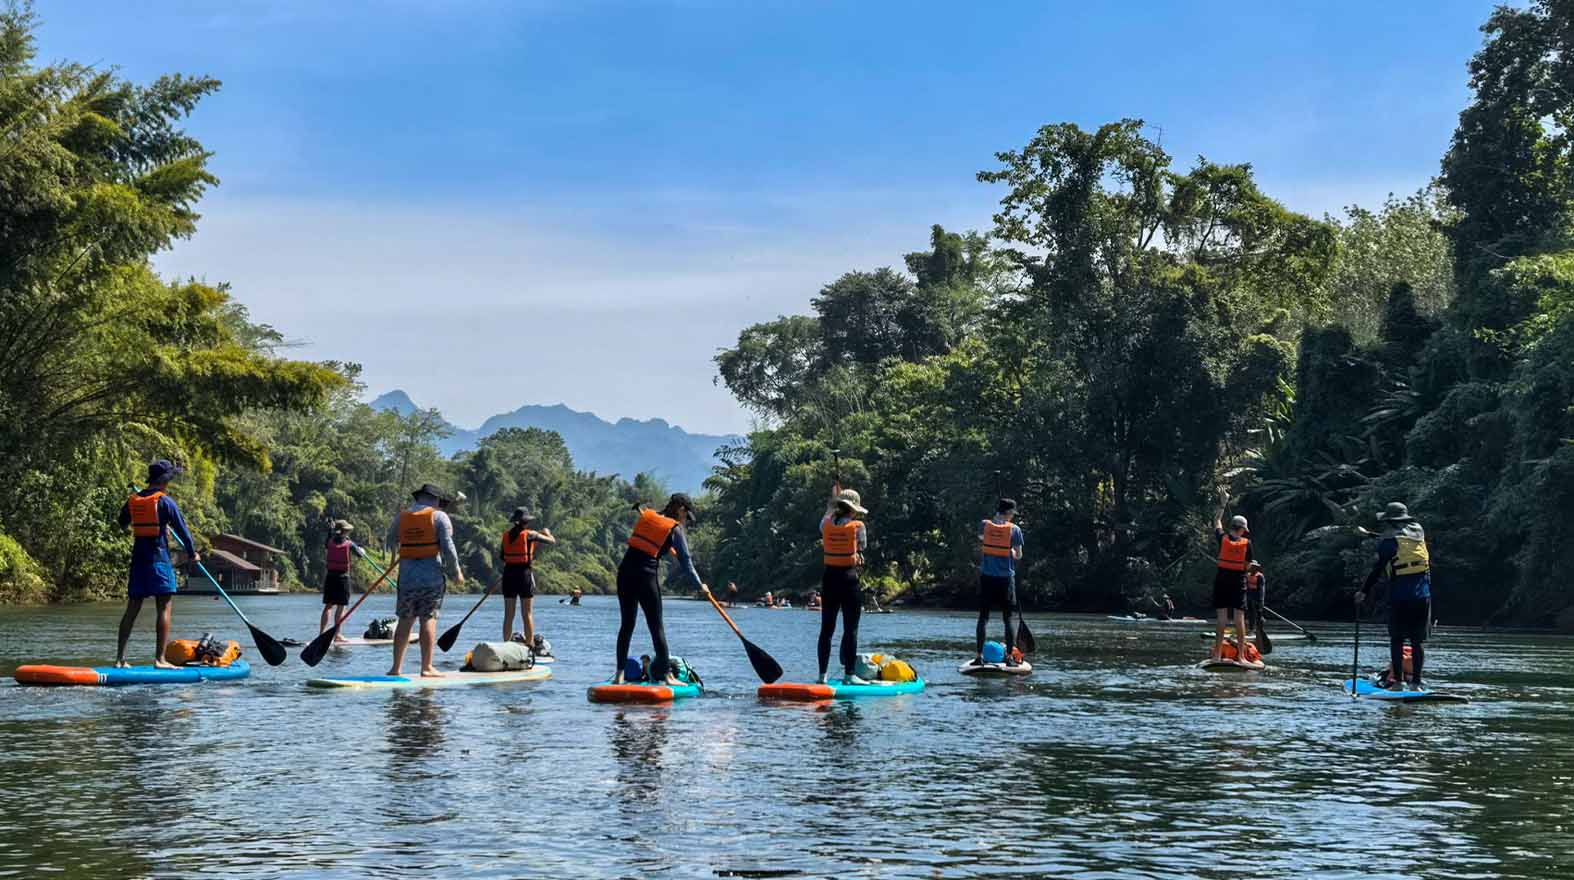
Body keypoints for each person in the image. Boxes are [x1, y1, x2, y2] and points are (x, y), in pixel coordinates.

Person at [613, 494, 705, 686]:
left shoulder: (648, 515)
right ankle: (667, 676)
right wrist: (700, 586)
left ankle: (619, 675)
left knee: (627, 625)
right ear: (681, 509)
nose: (684, 520)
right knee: (656, 627)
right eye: (686, 515)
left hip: (625, 574)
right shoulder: (675, 529)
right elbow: (686, 563)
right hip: (645, 576)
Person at [115, 459, 200, 668]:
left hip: (138, 562)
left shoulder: (133, 499)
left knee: (132, 607)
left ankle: (120, 659)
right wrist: (192, 554)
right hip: (159, 561)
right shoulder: (166, 502)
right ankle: (160, 659)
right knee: (164, 606)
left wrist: (150, 523)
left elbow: (122, 522)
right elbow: (183, 531)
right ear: (165, 481)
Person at [384, 483, 465, 677]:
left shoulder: (401, 517)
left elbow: (389, 540)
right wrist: (456, 572)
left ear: (419, 497)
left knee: (404, 621)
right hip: (431, 579)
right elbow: (448, 549)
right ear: (436, 500)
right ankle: (426, 668)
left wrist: (401, 553)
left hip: (406, 579)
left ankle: (395, 668)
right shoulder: (439, 517)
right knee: (428, 619)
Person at [1356, 502, 1432, 691]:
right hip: (1423, 596)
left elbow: (1378, 568)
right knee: (1417, 640)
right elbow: (1398, 540)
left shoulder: (1388, 542)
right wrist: (1369, 534)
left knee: (1397, 639)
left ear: (1389, 521)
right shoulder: (1418, 534)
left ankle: (1398, 682)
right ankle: (1416, 683)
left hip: (1400, 597)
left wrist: (1363, 592)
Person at [819, 482, 869, 685]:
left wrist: (833, 501)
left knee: (826, 630)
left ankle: (822, 676)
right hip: (848, 580)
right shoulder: (858, 526)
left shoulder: (826, 524)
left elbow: (827, 515)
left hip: (829, 579)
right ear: (854, 510)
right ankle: (849, 675)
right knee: (851, 629)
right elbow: (863, 546)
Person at [972, 498, 1025, 666]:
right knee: (1007, 619)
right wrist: (1009, 550)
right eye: (1012, 514)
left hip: (987, 578)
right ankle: (1009, 657)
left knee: (983, 618)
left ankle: (979, 656)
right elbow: (1018, 555)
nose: (1012, 518)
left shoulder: (984, 525)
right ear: (1008, 513)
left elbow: (982, 538)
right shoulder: (1015, 530)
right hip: (1005, 580)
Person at [498, 507, 556, 644]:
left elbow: (502, 556)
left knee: (508, 615)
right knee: (527, 614)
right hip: (524, 574)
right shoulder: (531, 534)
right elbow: (552, 541)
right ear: (526, 521)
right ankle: (529, 646)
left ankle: (506, 645)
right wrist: (547, 532)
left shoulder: (506, 535)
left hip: (508, 574)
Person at [1209, 491, 1253, 662]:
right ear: (1241, 529)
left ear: (1232, 526)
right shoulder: (1247, 543)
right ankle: (1241, 657)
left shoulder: (1222, 538)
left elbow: (1216, 521)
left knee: (1221, 619)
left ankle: (1217, 656)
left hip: (1221, 581)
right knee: (1239, 618)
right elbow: (1247, 567)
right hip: (1238, 583)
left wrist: (1223, 502)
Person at [320, 520, 366, 642]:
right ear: (344, 531)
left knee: (328, 606)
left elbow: (330, 541)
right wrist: (359, 548)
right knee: (341, 606)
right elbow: (361, 554)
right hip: (342, 578)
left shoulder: (329, 541)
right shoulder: (349, 544)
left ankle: (321, 633)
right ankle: (337, 635)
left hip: (330, 577)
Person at [1244, 561, 1266, 637]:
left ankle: (1260, 631)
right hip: (1249, 598)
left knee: (1258, 615)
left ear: (1256, 568)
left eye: (1254, 566)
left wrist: (1260, 601)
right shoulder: (1247, 575)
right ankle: (1251, 630)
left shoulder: (1260, 576)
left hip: (1257, 598)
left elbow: (1261, 589)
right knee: (1251, 615)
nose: (1252, 568)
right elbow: (1245, 587)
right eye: (1251, 566)